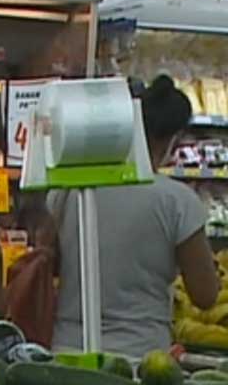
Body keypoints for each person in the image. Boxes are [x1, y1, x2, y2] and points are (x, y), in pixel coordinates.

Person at [52, 75, 221, 358]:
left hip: (66, 350)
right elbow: (205, 295)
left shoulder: (70, 191)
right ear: (173, 139)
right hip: (140, 357)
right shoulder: (177, 201)